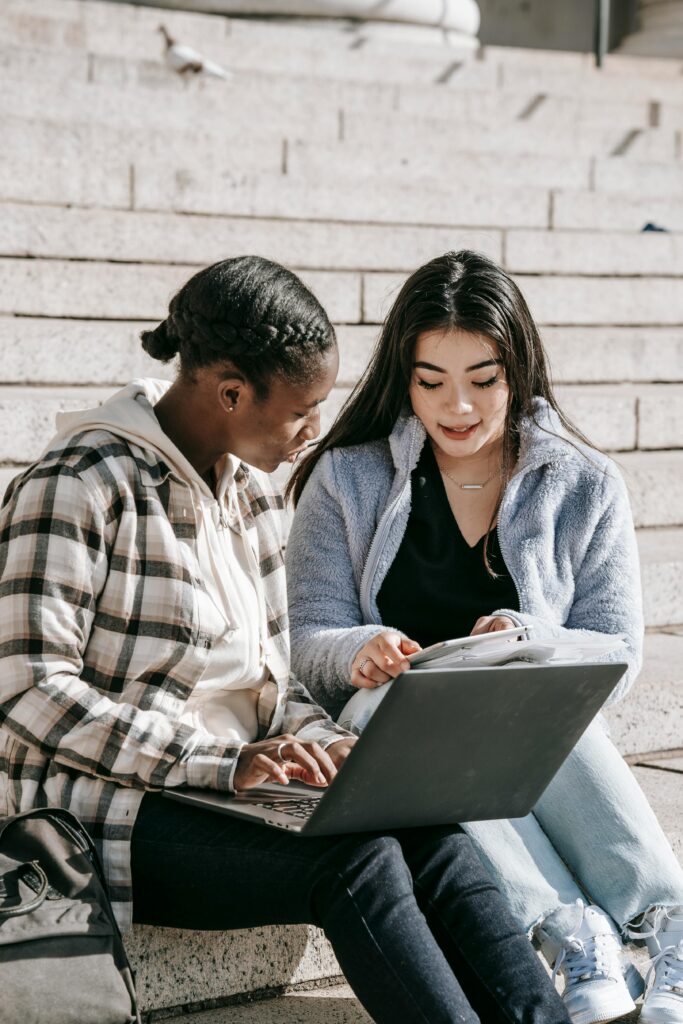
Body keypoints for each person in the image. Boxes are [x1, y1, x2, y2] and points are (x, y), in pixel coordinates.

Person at [0, 256, 573, 1024]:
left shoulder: (252, 496)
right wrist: (226, 764)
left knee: (429, 831)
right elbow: (27, 690)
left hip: (236, 795)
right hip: (105, 811)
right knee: (357, 861)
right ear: (231, 391)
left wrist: (325, 745)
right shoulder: (78, 484)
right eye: (302, 411)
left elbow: (279, 685)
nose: (314, 432)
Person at [286, 250, 683, 1024]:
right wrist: (357, 648)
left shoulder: (583, 482)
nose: (456, 405)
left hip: (527, 716)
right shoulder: (347, 478)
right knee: (396, 714)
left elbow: (614, 648)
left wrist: (526, 635)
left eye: (482, 378)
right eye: (430, 381)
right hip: (395, 715)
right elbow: (309, 636)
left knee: (537, 687)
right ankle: (571, 929)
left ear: (518, 370)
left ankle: (667, 923)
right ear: (402, 377)